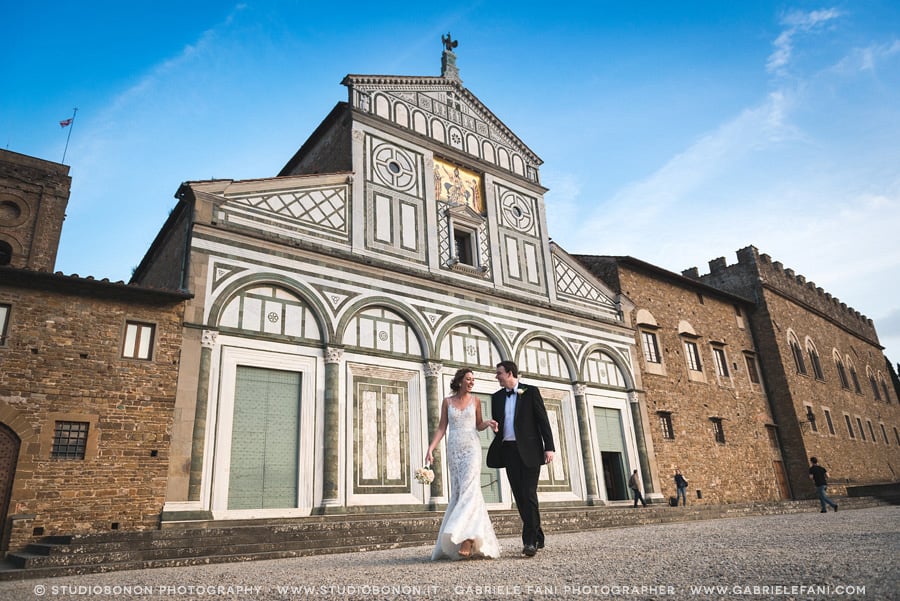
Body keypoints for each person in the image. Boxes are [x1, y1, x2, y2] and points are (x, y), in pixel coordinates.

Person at [425, 368, 501, 559]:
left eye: (473, 379)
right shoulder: (447, 402)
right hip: (454, 449)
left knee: (470, 488)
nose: (471, 382)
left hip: (472, 448)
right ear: (459, 381)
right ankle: (462, 538)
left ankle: (467, 537)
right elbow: (442, 427)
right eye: (468, 379)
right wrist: (430, 448)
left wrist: (489, 423)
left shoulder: (475, 401)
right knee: (459, 492)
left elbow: (478, 424)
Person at [486, 360, 555, 557]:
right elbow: (501, 423)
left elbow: (543, 420)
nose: (496, 376)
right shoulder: (497, 397)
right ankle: (537, 532)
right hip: (508, 451)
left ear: (509, 373)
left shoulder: (531, 391)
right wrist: (496, 428)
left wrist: (549, 447)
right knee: (519, 496)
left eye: (498, 373)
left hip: (531, 450)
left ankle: (529, 541)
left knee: (529, 493)